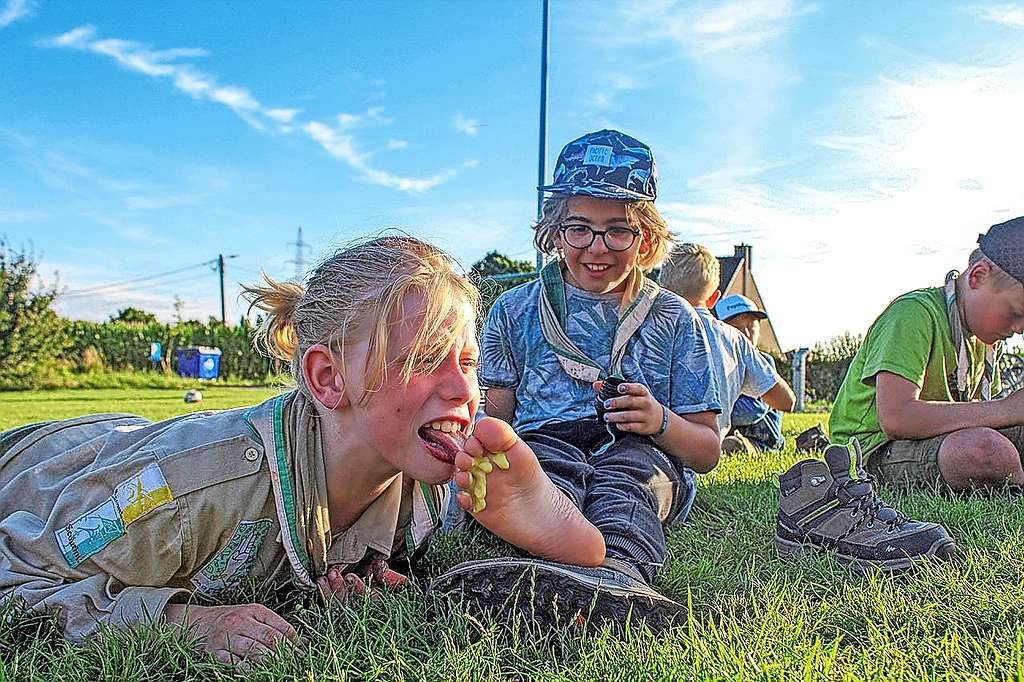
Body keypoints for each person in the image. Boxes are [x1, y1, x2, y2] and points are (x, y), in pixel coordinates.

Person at [0, 236, 605, 664]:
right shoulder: (186, 491)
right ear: (327, 379)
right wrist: (183, 621)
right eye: (424, 360)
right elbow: (18, 570)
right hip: (39, 462)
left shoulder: (418, 478)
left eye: (469, 363)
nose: (463, 391)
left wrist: (345, 568)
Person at [432, 130, 722, 626]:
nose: (597, 247)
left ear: (646, 237)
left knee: (630, 483)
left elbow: (707, 450)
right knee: (542, 473)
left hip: (642, 450)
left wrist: (658, 422)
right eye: (579, 228)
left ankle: (618, 576)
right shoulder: (515, 310)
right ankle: (536, 565)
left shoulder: (676, 319)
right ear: (554, 229)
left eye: (618, 230)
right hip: (544, 445)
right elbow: (496, 419)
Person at [829, 217, 1024, 492]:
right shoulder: (913, 314)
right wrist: (1006, 410)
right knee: (987, 452)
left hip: (938, 438)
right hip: (871, 451)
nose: (1018, 328)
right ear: (978, 276)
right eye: (1016, 313)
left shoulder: (986, 338)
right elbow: (897, 419)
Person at [660, 245, 795, 446]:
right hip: (706, 451)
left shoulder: (647, 330)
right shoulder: (736, 340)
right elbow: (786, 401)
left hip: (654, 445)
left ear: (661, 292)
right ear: (714, 298)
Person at [713, 293, 788, 454]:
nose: (746, 334)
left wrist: (712, 413)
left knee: (735, 445)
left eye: (751, 326)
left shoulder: (763, 362)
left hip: (761, 440)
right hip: (728, 430)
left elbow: (753, 410)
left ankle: (740, 445)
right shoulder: (718, 364)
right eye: (737, 328)